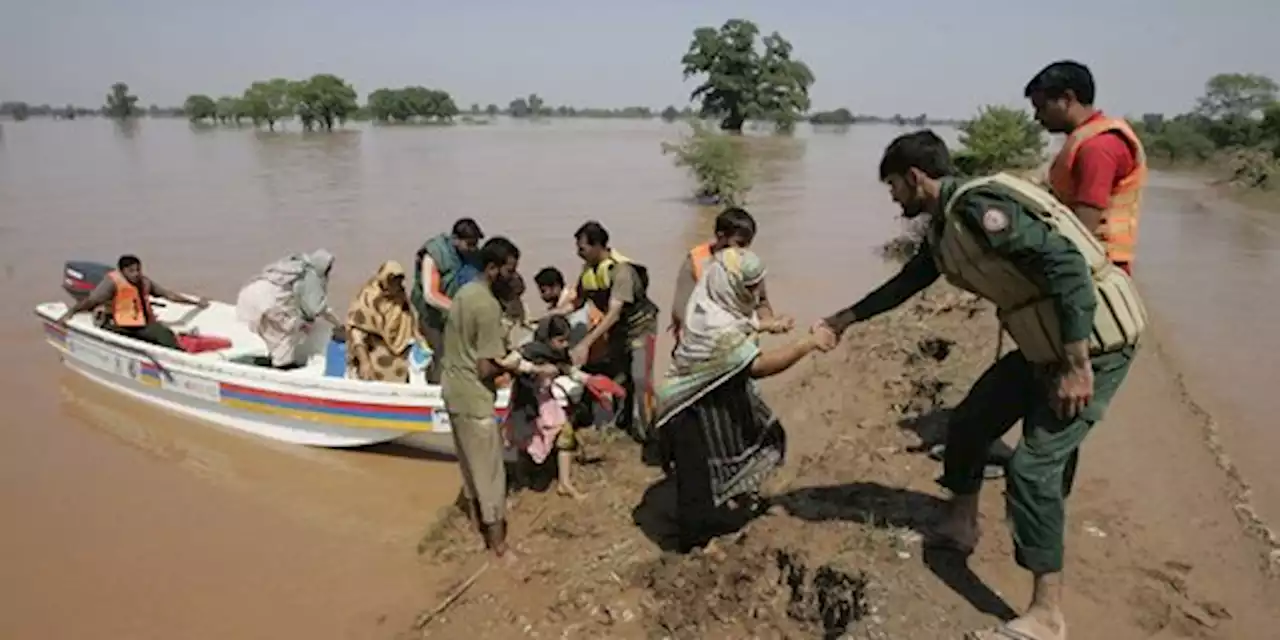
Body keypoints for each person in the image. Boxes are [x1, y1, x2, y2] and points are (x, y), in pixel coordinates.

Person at [811, 131, 1146, 640]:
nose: (893, 197)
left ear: (916, 178)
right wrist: (843, 319)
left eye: (894, 186)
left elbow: (1067, 266)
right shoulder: (945, 227)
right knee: (968, 424)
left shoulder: (981, 208)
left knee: (1034, 470)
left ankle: (1047, 614)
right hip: (1043, 347)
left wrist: (1078, 366)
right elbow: (908, 282)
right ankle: (961, 524)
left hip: (1094, 344)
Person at [654, 248, 814, 552]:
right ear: (731, 286)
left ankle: (712, 515)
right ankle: (693, 546)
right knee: (695, 481)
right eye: (749, 287)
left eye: (757, 286)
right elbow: (759, 367)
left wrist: (768, 324)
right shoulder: (719, 329)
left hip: (703, 400)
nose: (756, 294)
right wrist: (806, 344)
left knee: (708, 466)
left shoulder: (708, 302)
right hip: (684, 408)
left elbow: (738, 322)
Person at [441, 236, 528, 559]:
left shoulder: (463, 293)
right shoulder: (488, 306)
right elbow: (484, 367)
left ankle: (477, 524)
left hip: (451, 389)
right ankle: (499, 546)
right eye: (509, 270)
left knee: (469, 466)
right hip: (474, 396)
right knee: (491, 472)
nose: (512, 275)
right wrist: (514, 367)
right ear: (492, 269)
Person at [1025, 60, 1148, 275]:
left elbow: (1084, 227)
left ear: (1067, 99)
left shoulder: (1098, 147)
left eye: (1042, 107)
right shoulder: (1086, 139)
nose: (1037, 117)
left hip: (1097, 269)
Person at [556, 221, 659, 447]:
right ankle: (623, 422)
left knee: (641, 378)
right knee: (620, 376)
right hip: (618, 331)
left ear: (597, 246)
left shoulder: (621, 270)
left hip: (641, 326)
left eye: (582, 248)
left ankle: (649, 434)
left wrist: (585, 343)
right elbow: (577, 303)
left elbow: (613, 313)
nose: (578, 253)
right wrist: (550, 316)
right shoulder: (588, 271)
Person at [503, 315, 612, 501]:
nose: (565, 344)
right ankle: (520, 481)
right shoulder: (531, 350)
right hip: (527, 403)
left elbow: (568, 369)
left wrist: (591, 381)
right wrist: (537, 369)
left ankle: (564, 483)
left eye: (566, 340)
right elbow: (508, 362)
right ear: (547, 339)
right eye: (560, 340)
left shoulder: (559, 354)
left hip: (547, 402)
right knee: (525, 441)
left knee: (565, 434)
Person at [56, 254, 208, 349]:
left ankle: (172, 349)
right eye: (131, 271)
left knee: (160, 332)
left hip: (138, 323)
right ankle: (179, 354)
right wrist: (70, 313)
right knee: (161, 332)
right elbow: (91, 301)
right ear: (122, 271)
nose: (136, 274)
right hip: (116, 324)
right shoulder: (112, 283)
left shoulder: (144, 282)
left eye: (138, 270)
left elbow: (168, 295)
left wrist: (195, 303)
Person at [669, 207, 775, 340]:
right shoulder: (697, 260)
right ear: (720, 236)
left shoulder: (748, 264)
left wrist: (770, 322)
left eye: (748, 244)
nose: (744, 250)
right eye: (739, 244)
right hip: (702, 341)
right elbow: (681, 311)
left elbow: (762, 302)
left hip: (742, 338)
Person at [236, 250, 341, 369]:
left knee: (274, 331)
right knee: (287, 332)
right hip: (269, 301)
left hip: (252, 293)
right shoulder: (311, 277)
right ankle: (282, 365)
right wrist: (337, 323)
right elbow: (316, 307)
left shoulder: (298, 266)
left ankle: (274, 358)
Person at [411, 218, 485, 382]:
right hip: (434, 317)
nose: (473, 249)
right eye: (469, 244)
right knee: (442, 356)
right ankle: (436, 390)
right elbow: (431, 295)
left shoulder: (474, 256)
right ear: (455, 240)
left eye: (475, 244)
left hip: (461, 317)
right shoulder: (434, 255)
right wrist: (459, 308)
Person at [345, 261, 421, 383]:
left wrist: (420, 342)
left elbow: (411, 321)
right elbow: (357, 331)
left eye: (399, 281)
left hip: (399, 353)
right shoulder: (368, 297)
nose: (397, 285)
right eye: (393, 281)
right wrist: (364, 362)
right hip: (373, 352)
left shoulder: (400, 298)